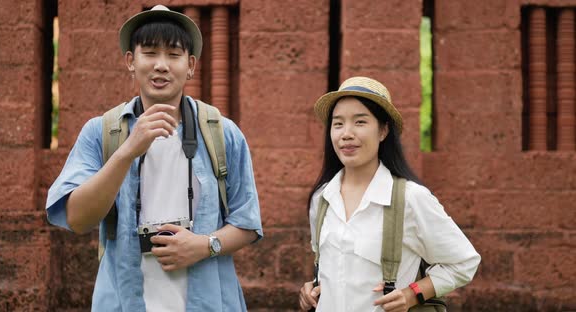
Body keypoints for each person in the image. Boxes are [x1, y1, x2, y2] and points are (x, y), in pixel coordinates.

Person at [46, 5, 262, 311]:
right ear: (131, 61)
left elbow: (248, 223)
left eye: (173, 55)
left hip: (210, 302)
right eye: (150, 53)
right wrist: (127, 152)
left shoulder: (222, 133)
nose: (161, 65)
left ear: (190, 65)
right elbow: (77, 219)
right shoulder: (101, 132)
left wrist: (203, 245)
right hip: (124, 301)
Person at [298, 77, 480, 312]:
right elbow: (332, 267)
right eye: (338, 123)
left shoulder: (411, 198)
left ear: (383, 130)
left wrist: (413, 294)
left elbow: (464, 262)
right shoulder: (321, 198)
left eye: (360, 122)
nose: (346, 134)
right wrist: (313, 287)